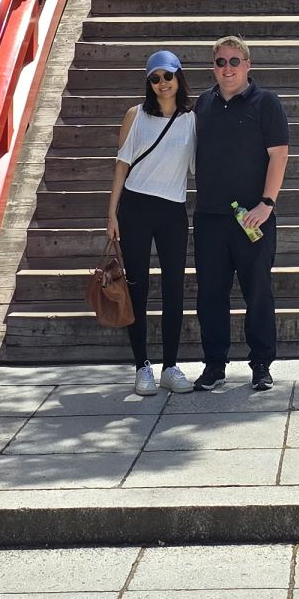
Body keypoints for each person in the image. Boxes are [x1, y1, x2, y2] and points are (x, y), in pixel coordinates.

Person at [191, 34, 289, 391]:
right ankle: (214, 365)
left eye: (234, 61)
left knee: (258, 292)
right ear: (213, 67)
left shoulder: (266, 103)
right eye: (221, 62)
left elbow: (279, 155)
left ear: (247, 65)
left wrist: (267, 203)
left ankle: (261, 364)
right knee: (210, 295)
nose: (228, 68)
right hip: (210, 217)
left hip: (253, 217)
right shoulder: (202, 104)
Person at [104, 49, 197, 396]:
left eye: (167, 76)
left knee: (174, 287)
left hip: (173, 209)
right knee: (137, 288)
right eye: (155, 78)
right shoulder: (136, 115)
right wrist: (112, 213)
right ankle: (141, 365)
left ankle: (170, 366)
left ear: (178, 77)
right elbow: (122, 166)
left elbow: (200, 165)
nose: (162, 83)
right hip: (136, 207)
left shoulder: (191, 119)